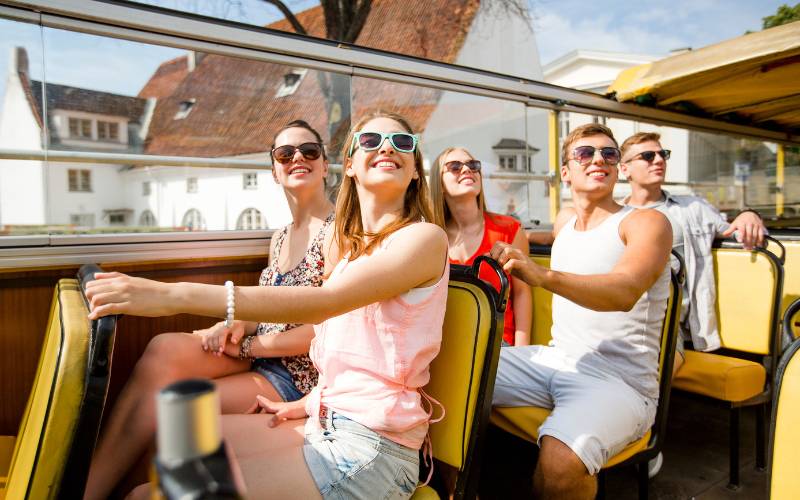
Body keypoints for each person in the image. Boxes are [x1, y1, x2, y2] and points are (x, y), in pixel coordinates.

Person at [85, 111, 449, 500]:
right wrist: (312, 402)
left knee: (148, 497)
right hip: (326, 419)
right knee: (175, 439)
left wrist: (171, 295)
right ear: (350, 166)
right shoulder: (353, 252)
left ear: (415, 172)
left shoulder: (424, 239)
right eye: (372, 142)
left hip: (371, 448)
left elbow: (324, 304)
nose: (388, 148)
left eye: (402, 143)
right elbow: (354, 352)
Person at [83, 119, 335, 500]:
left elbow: (327, 331)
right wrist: (234, 323)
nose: (297, 158)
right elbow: (269, 299)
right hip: (259, 356)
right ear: (273, 170)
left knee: (174, 411)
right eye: (285, 154)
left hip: (294, 377)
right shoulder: (280, 236)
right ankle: (86, 490)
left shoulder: (337, 233)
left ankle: (112, 492)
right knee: (165, 349)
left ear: (325, 164)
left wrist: (248, 347)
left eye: (309, 151)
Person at [489, 123, 673, 499]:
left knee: (560, 465)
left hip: (620, 383)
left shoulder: (645, 222)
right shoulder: (564, 223)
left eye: (609, 154)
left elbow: (624, 292)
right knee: (451, 369)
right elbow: (570, 241)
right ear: (565, 172)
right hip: (558, 360)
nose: (598, 160)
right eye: (585, 153)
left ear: (619, 167)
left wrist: (542, 275)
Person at [619, 131, 767, 373]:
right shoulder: (615, 216)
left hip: (666, 322)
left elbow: (739, 233)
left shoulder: (692, 208)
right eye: (647, 156)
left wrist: (749, 214)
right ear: (625, 169)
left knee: (647, 370)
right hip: (622, 314)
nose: (659, 160)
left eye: (662, 154)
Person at [430, 147, 532, 346]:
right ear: (439, 183)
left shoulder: (509, 230)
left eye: (473, 165)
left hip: (499, 346)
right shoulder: (432, 238)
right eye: (455, 167)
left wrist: (522, 351)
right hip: (447, 346)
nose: (467, 170)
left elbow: (521, 293)